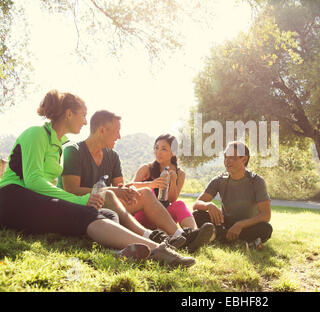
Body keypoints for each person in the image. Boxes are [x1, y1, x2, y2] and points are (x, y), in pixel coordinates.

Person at [0, 90, 195, 267]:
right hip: (12, 197)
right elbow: (34, 181)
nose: (86, 122)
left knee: (109, 216)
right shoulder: (36, 134)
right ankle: (158, 250)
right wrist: (80, 201)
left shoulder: (59, 144)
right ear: (69, 114)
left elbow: (46, 187)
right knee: (88, 214)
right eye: (83, 115)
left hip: (36, 202)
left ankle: (119, 252)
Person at [60, 113, 213, 253]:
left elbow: (122, 188)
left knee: (145, 193)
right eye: (117, 131)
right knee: (113, 195)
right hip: (83, 206)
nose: (119, 136)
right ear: (102, 130)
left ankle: (180, 236)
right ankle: (151, 236)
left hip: (110, 205)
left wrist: (128, 192)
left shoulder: (112, 156)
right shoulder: (74, 151)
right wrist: (117, 190)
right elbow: (71, 189)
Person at [131, 134, 214, 252]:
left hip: (163, 219)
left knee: (179, 204)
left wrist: (173, 181)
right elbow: (130, 188)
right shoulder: (146, 168)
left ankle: (194, 235)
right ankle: (182, 237)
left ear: (173, 152)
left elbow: (172, 199)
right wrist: (151, 184)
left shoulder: (180, 173)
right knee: (149, 192)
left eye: (163, 149)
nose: (158, 152)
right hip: (142, 217)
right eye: (156, 148)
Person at [192, 141, 273, 247]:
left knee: (266, 228)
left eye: (232, 158)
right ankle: (241, 240)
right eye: (225, 157)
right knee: (197, 215)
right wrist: (208, 205)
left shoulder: (257, 181)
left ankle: (219, 237)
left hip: (247, 226)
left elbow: (266, 215)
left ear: (244, 159)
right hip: (225, 224)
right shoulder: (219, 180)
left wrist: (240, 225)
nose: (227, 161)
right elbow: (196, 204)